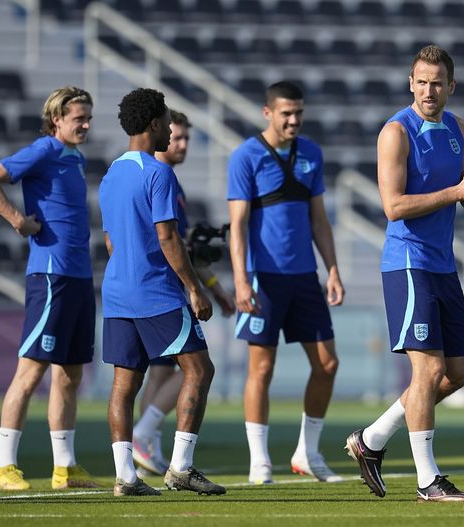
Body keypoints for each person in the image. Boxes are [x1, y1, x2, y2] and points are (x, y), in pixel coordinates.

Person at [345, 45, 464, 502]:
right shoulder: (395, 132)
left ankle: (371, 441)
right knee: (426, 368)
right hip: (408, 263)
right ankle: (428, 481)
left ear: (452, 86)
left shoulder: (458, 128)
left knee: (456, 374)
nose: (429, 89)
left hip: (443, 265)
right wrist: (457, 191)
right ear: (411, 83)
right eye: (421, 81)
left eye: (438, 82)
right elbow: (393, 207)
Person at [0, 86, 101, 491]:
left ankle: (65, 468)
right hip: (51, 276)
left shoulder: (75, 157)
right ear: (57, 119)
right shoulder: (44, 150)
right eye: (78, 118)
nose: (85, 124)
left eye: (88, 118)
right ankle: (4, 468)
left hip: (79, 277)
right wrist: (17, 219)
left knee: (71, 375)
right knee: (30, 372)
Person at [99, 88, 225, 496]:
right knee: (200, 370)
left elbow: (110, 241)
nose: (172, 129)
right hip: (155, 292)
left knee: (124, 384)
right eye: (168, 121)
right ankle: (181, 469)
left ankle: (125, 477)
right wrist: (194, 288)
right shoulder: (158, 172)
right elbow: (168, 237)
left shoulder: (111, 173)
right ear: (153, 124)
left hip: (117, 293)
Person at [228, 81, 344, 485]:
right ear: (267, 113)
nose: (293, 120)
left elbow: (319, 220)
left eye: (299, 113)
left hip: (304, 279)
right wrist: (241, 280)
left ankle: (307, 453)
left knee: (327, 364)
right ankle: (259, 461)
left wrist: (331, 269)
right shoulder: (245, 157)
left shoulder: (312, 153)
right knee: (262, 368)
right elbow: (238, 227)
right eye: (286, 113)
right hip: (264, 280)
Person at [131, 110, 235, 477]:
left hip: (151, 287)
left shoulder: (154, 177)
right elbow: (171, 243)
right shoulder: (162, 179)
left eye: (188, 139)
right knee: (192, 366)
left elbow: (180, 243)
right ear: (161, 134)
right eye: (178, 137)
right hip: (166, 290)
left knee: (159, 372)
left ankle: (143, 447)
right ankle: (143, 434)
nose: (183, 145)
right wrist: (208, 288)